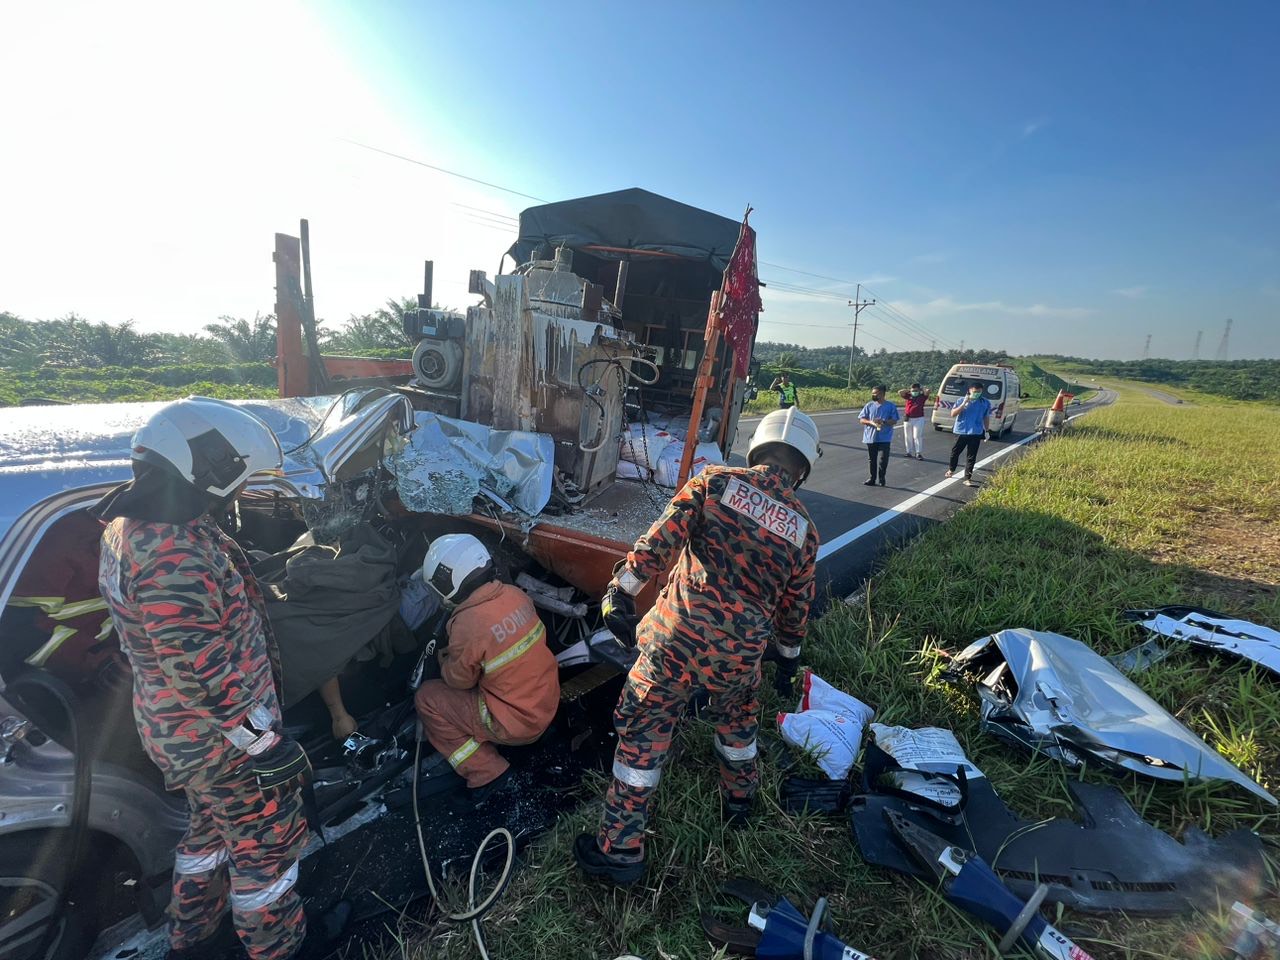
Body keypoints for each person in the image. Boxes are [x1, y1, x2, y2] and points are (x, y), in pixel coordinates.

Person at [92, 398, 349, 960]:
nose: (237, 496)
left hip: (186, 737)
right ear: (206, 468)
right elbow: (198, 671)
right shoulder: (171, 555)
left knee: (209, 834)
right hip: (221, 743)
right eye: (236, 483)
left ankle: (193, 937)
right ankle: (281, 947)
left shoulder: (138, 527)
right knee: (266, 849)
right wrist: (264, 744)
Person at [573, 407, 821, 886]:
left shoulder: (715, 482)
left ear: (757, 449)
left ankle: (620, 852)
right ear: (802, 468)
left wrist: (620, 590)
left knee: (642, 740)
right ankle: (741, 802)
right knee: (738, 723)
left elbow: (658, 544)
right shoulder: (805, 531)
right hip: (738, 659)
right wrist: (787, 661)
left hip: (674, 645)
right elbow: (795, 613)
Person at [414, 534, 560, 804]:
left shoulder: (467, 624)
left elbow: (459, 681)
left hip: (515, 724)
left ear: (448, 582)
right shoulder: (515, 596)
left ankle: (486, 772)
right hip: (546, 704)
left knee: (427, 698)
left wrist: (445, 663)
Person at [946, 381, 993, 486]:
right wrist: (964, 404)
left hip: (975, 432)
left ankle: (967, 478)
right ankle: (951, 469)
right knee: (955, 452)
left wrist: (987, 430)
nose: (977, 393)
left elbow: (986, 417)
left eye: (979, 392)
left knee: (971, 456)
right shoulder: (961, 400)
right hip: (961, 431)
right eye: (975, 391)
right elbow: (953, 414)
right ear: (969, 390)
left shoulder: (985, 402)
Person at [858, 384, 899, 486]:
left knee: (883, 459)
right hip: (871, 437)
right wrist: (871, 422)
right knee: (872, 459)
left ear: (882, 394)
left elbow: (894, 420)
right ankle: (872, 478)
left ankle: (882, 478)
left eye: (875, 393)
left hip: (884, 437)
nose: (873, 395)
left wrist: (883, 422)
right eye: (872, 394)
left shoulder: (890, 406)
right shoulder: (869, 405)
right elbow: (862, 419)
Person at [897, 382, 931, 460]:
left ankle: (918, 453)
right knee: (907, 436)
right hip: (908, 418)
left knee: (917, 436)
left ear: (919, 390)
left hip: (918, 418)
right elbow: (900, 392)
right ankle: (908, 452)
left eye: (916, 390)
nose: (914, 392)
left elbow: (928, 391)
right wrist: (909, 390)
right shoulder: (909, 396)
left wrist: (921, 389)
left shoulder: (922, 396)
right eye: (913, 390)